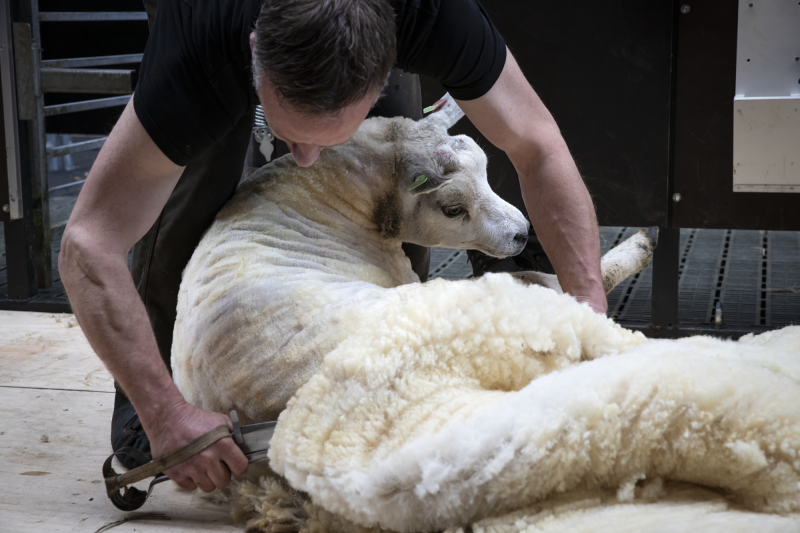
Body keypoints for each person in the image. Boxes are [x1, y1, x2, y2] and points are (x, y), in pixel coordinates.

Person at [60, 0, 607, 495]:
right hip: (220, 31)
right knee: (190, 189)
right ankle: (145, 421)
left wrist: (589, 319)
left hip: (368, 28)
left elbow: (537, 145)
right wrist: (164, 413)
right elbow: (89, 242)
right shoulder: (201, 47)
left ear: (388, 64)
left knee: (395, 174)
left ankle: (399, 391)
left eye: (327, 137)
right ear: (257, 53)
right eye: (288, 131)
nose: (303, 159)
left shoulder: (432, 16)